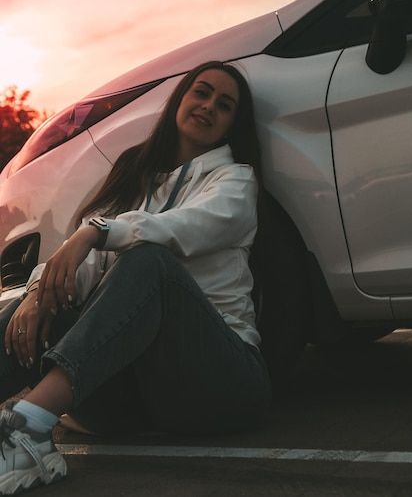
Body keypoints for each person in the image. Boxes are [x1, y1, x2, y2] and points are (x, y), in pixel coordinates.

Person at [0, 60, 271, 494]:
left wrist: (95, 231)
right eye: (200, 92)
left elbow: (181, 229)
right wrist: (37, 293)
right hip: (139, 396)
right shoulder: (137, 179)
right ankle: (23, 421)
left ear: (231, 125)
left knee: (150, 262)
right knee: (28, 309)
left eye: (224, 105)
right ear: (179, 100)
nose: (208, 106)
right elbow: (81, 271)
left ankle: (24, 426)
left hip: (223, 382)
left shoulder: (236, 181)